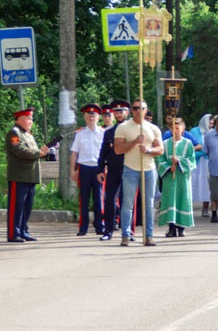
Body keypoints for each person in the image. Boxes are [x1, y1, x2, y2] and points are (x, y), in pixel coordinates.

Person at [114, 100, 164, 247]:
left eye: (141, 108)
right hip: (130, 168)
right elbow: (118, 149)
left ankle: (149, 235)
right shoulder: (123, 127)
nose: (137, 111)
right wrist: (135, 142)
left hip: (148, 169)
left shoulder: (153, 128)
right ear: (131, 110)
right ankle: (126, 235)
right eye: (135, 108)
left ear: (145, 110)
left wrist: (148, 150)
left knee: (149, 204)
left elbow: (160, 149)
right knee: (128, 203)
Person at [5, 108, 49, 243]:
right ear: (18, 119)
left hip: (30, 176)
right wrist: (38, 153)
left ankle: (23, 231)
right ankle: (13, 233)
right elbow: (19, 150)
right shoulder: (14, 133)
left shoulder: (28, 135)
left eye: (31, 119)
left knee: (27, 206)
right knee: (16, 206)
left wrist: (42, 152)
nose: (30, 121)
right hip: (19, 176)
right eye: (27, 118)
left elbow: (32, 151)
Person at [70, 103, 106, 236]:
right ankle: (83, 227)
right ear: (85, 117)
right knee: (83, 199)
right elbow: (74, 153)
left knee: (98, 199)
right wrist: (72, 171)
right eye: (89, 115)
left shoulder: (103, 133)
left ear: (98, 118)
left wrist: (104, 168)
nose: (91, 118)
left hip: (98, 169)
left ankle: (99, 226)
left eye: (94, 115)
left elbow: (106, 153)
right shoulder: (80, 134)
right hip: (84, 168)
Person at [157, 117, 196, 237]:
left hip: (183, 178)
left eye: (178, 128)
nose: (176, 131)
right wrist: (169, 167)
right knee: (170, 200)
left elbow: (192, 160)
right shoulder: (165, 143)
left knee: (182, 199)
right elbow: (159, 160)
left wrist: (179, 162)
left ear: (183, 129)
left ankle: (182, 227)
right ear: (170, 129)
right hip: (170, 178)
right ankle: (172, 227)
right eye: (173, 128)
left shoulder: (188, 144)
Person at [98, 100, 130, 242]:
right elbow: (103, 152)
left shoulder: (132, 130)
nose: (118, 114)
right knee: (109, 199)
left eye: (121, 111)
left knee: (127, 201)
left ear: (127, 113)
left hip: (129, 168)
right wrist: (100, 169)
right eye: (116, 112)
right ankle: (108, 230)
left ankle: (127, 231)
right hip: (113, 169)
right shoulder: (109, 132)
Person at [193, 114, 212, 217]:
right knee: (193, 183)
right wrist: (201, 151)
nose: (211, 125)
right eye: (209, 122)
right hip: (196, 161)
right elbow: (192, 145)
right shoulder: (194, 131)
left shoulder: (211, 133)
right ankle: (189, 208)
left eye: (212, 123)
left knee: (206, 185)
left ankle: (205, 208)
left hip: (207, 161)